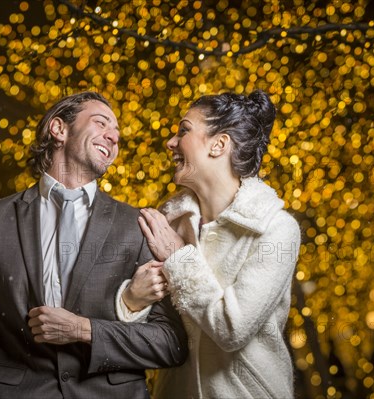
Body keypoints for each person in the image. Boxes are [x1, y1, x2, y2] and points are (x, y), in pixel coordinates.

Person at [0, 91, 188, 399]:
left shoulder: (137, 225)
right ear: (59, 129)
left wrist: (86, 330)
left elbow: (170, 342)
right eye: (101, 123)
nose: (113, 137)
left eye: (118, 135)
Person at [118, 91, 301, 398]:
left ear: (219, 144)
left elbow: (232, 329)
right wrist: (131, 300)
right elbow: (153, 326)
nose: (171, 143)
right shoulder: (168, 222)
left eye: (184, 131)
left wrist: (177, 257)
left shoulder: (276, 229)